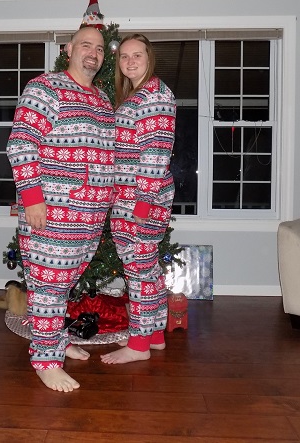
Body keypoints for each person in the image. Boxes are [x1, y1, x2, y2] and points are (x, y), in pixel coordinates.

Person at [6, 26, 115, 391]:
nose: (93, 52)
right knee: (47, 288)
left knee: (63, 286)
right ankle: (46, 360)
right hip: (52, 211)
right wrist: (32, 199)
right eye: (86, 45)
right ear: (69, 49)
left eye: (99, 48)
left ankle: (58, 340)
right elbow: (21, 144)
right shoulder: (45, 88)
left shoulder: (102, 100)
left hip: (90, 216)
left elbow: (106, 155)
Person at [100, 33, 176, 365]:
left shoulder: (155, 95)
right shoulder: (138, 94)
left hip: (140, 199)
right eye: (124, 56)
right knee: (147, 268)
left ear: (149, 58)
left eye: (137, 55)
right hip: (131, 196)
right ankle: (155, 335)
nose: (130, 61)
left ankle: (139, 344)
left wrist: (143, 202)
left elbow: (156, 153)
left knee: (138, 271)